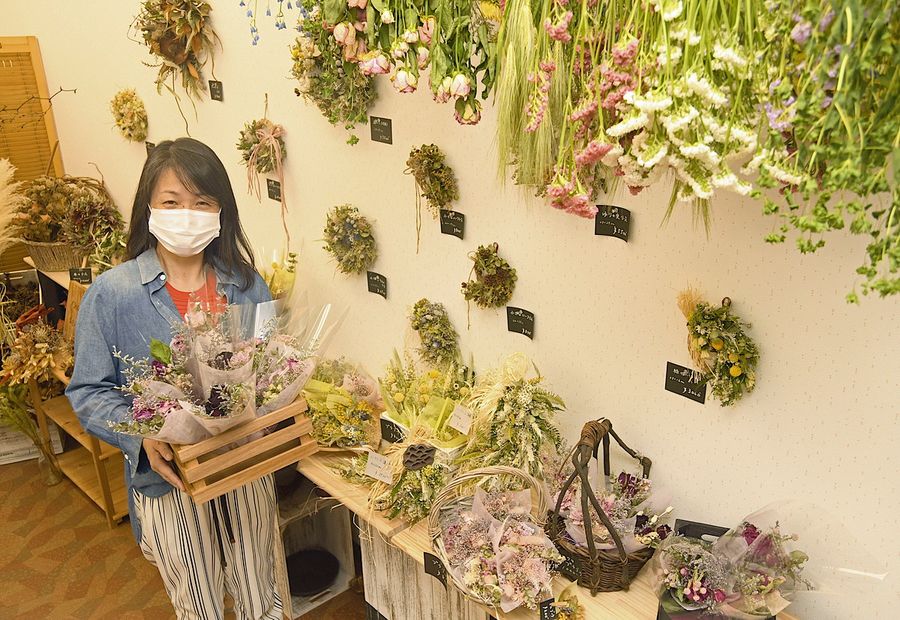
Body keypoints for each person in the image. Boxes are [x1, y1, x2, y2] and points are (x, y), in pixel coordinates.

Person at [66, 138, 282, 619]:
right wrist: (142, 437)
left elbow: (272, 372)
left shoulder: (246, 285)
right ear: (149, 207)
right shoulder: (113, 295)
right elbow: (88, 392)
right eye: (172, 202)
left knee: (261, 596)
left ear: (221, 211)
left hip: (243, 473)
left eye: (202, 203)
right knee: (197, 607)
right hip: (170, 482)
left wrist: (267, 411)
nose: (188, 214)